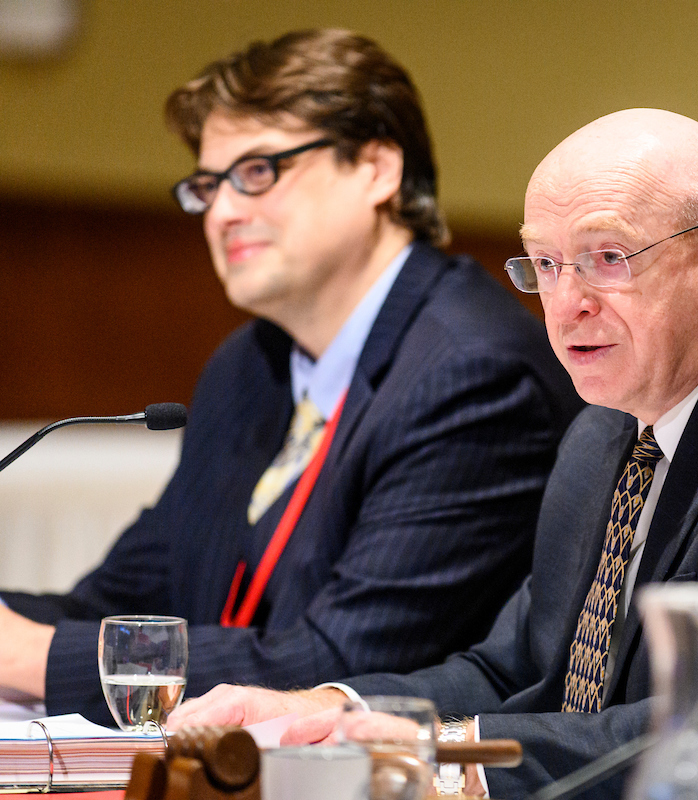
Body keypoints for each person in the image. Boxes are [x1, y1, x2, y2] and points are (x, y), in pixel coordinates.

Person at [169, 108, 698, 800]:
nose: (568, 302)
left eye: (607, 258)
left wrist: (439, 759)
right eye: (545, 264)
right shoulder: (608, 427)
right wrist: (325, 709)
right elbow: (515, 668)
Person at [0, 29, 580, 725]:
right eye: (207, 186)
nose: (222, 211)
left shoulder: (473, 374)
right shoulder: (249, 365)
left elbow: (342, 661)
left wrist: (24, 656)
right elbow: (126, 600)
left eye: (257, 172)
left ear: (376, 169)